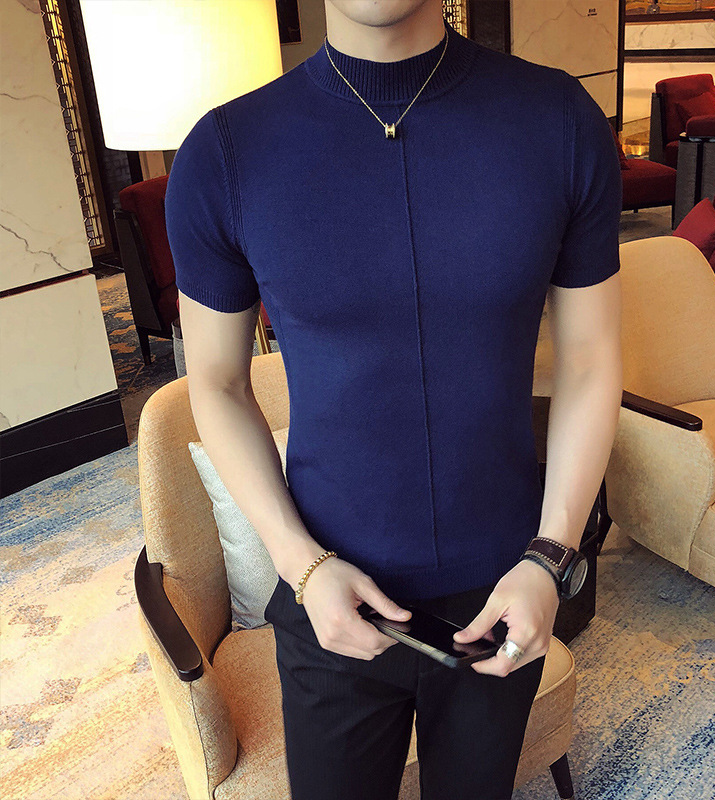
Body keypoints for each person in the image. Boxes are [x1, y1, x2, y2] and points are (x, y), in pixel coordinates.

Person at [165, 1, 623, 798]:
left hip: (507, 581)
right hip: (326, 584)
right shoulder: (227, 150)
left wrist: (552, 556)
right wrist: (300, 565)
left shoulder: (559, 120)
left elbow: (589, 361)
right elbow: (217, 381)